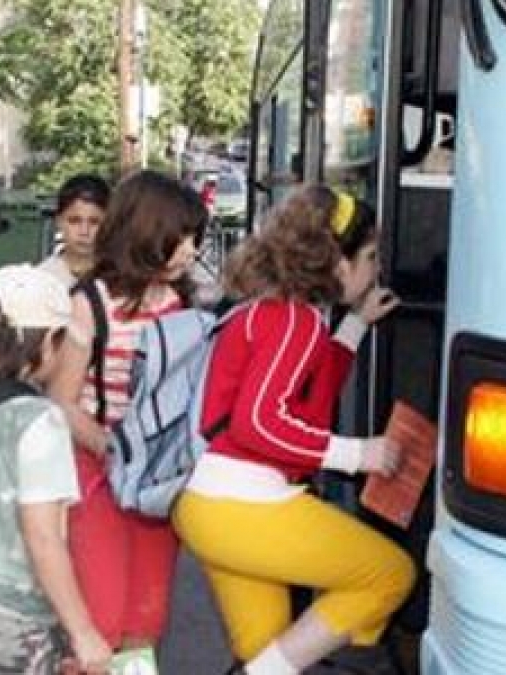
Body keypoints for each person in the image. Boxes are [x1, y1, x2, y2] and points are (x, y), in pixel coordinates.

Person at [173, 185, 416, 675]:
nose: (375, 270)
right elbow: (261, 422)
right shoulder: (296, 320)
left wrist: (355, 326)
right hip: (247, 505)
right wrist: (357, 454)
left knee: (270, 649)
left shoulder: (275, 311)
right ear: (338, 263)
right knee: (389, 574)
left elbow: (306, 401)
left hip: (212, 507)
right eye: (370, 257)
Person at [49, 170, 208, 652]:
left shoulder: (184, 302)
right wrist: (110, 449)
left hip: (158, 478)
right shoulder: (91, 302)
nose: (192, 251)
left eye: (194, 239)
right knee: (102, 615)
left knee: (148, 614)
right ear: (145, 233)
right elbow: (61, 399)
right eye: (182, 238)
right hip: (98, 468)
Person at [0, 264, 112, 674]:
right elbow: (43, 538)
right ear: (46, 340)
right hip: (14, 617)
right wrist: (82, 632)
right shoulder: (38, 420)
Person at [39, 174, 111, 288]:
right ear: (59, 221)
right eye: (74, 221)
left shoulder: (119, 279)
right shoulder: (42, 280)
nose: (84, 231)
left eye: (94, 222)